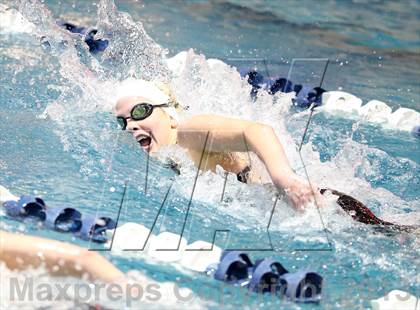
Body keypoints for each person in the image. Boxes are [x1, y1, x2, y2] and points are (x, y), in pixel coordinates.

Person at [114, 78, 321, 210]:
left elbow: (258, 131)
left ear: (170, 116)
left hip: (294, 198)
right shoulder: (168, 152)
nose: (130, 125)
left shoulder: (188, 132)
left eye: (140, 112)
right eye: (123, 121)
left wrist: (285, 180)